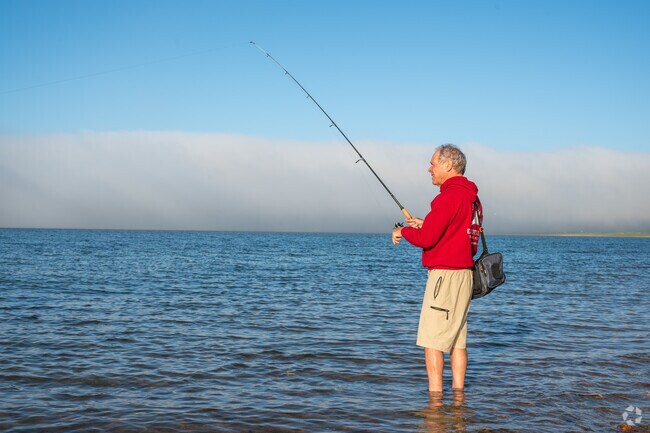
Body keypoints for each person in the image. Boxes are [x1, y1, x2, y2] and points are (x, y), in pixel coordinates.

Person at [392, 144, 481, 393]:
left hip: (444, 277)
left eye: (432, 164)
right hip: (465, 275)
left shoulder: (448, 196)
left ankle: (435, 400)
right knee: (458, 341)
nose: (429, 168)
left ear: (448, 165)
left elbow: (427, 239)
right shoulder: (472, 198)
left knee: (432, 340)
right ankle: (459, 396)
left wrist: (403, 231)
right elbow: (456, 231)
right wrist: (426, 222)